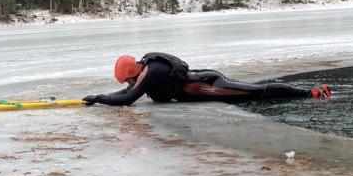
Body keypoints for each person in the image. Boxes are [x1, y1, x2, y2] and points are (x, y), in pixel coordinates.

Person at [82, 52, 331, 107]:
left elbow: (128, 99)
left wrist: (98, 98)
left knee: (255, 92)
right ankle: (309, 92)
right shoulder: (143, 72)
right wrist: (98, 99)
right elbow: (128, 94)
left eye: (127, 81)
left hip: (210, 85)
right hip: (203, 83)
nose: (128, 85)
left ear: (131, 74)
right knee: (254, 92)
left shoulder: (152, 71)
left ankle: (312, 93)